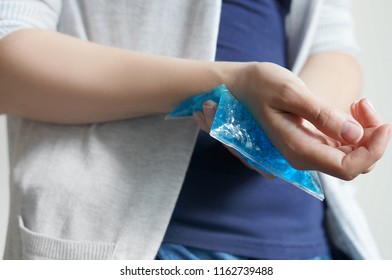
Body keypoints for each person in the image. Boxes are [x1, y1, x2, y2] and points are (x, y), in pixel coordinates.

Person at [0, 0, 390, 260]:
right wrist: (226, 84)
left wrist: (302, 123)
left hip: (307, 247)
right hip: (120, 244)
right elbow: (8, 52)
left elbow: (332, 41)